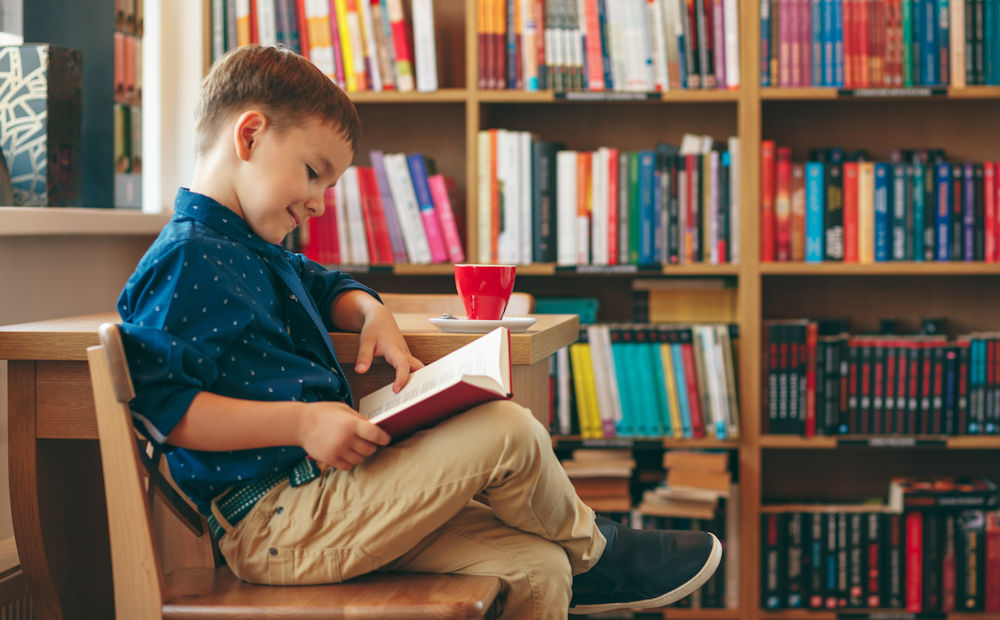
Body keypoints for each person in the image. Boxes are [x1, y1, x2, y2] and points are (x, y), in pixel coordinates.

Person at [118, 44, 722, 619]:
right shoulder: (187, 259)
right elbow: (164, 409)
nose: (321, 203)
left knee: (540, 570)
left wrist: (370, 311)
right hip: (278, 523)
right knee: (507, 428)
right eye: (313, 173)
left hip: (332, 499)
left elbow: (325, 284)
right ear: (249, 135)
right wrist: (302, 423)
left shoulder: (249, 245)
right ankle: (599, 550)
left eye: (329, 187)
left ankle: (577, 558)